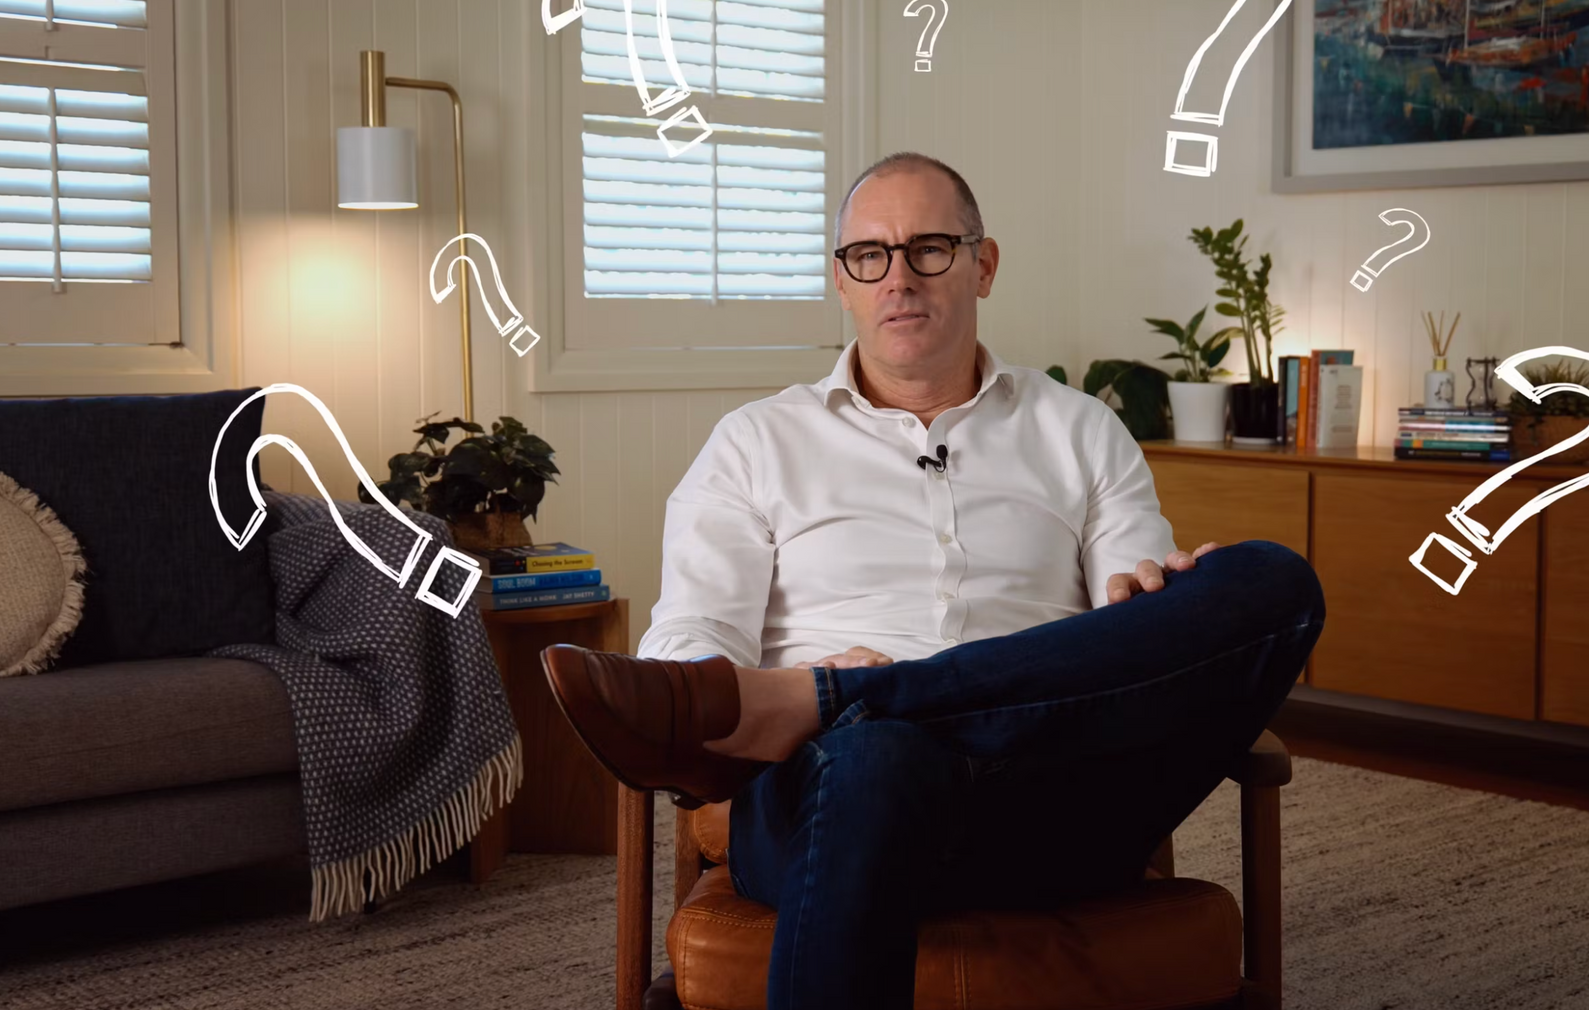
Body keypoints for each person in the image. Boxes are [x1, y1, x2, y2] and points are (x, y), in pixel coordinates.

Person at [542, 152, 1326, 1010]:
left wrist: (1155, 601)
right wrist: (805, 704)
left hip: (1053, 798)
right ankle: (846, 709)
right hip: (830, 798)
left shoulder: (1081, 430)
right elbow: (686, 659)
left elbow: (1124, 620)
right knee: (874, 751)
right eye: (869, 254)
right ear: (841, 281)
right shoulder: (754, 443)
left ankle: (839, 697)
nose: (898, 277)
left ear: (983, 265)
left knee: (1272, 580)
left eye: (930, 248)